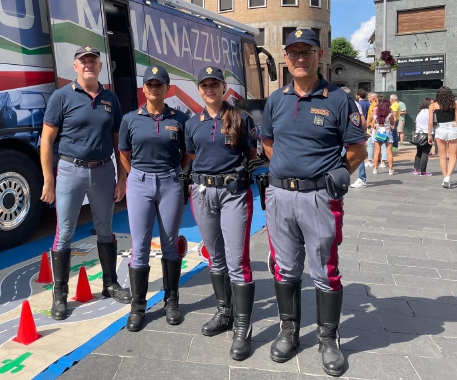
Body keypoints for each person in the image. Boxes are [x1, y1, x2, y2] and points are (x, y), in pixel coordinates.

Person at [260, 29, 366, 376]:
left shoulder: (338, 99)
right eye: (294, 53)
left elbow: (357, 150)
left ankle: (328, 339)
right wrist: (287, 174)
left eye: (307, 52)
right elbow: (269, 145)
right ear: (286, 58)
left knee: (325, 268)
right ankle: (288, 331)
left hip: (320, 197)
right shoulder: (276, 100)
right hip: (279, 197)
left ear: (319, 56)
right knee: (285, 267)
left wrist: (333, 174)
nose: (300, 58)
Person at [41, 45, 131, 321]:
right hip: (70, 170)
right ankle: (60, 294)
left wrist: (122, 177)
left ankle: (110, 283)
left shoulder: (110, 99)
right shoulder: (61, 97)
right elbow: (46, 140)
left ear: (100, 66)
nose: (88, 65)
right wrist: (49, 179)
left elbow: (120, 144)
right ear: (75, 66)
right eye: (84, 61)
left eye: (93, 60)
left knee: (105, 228)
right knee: (64, 231)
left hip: (103, 171)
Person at [186, 66, 257, 361]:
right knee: (214, 257)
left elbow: (254, 154)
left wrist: (242, 172)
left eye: (214, 83)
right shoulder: (193, 123)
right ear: (199, 89)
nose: (209, 88)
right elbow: (191, 157)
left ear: (224, 87)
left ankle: (243, 326)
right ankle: (224, 312)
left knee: (236, 260)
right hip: (202, 193)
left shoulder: (241, 117)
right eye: (204, 84)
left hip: (233, 193)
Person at [118, 65, 190, 332]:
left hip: (171, 182)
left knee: (170, 244)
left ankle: (171, 301)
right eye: (149, 84)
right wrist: (135, 177)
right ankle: (138, 306)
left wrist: (175, 174)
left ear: (166, 88)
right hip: (140, 183)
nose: (153, 88)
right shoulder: (130, 119)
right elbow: (124, 152)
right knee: (141, 246)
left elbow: (186, 154)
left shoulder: (179, 119)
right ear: (144, 88)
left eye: (158, 84)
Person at [428, 86, 457, 188]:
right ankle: (448, 177)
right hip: (453, 127)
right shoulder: (454, 104)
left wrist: (429, 135)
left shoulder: (433, 105)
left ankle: (445, 177)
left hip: (440, 129)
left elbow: (431, 122)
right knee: (453, 156)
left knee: (442, 156)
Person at [372, 99, 396, 176]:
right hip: (387, 131)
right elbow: (392, 123)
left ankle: (375, 169)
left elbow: (372, 124)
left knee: (376, 152)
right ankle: (390, 169)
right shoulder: (389, 115)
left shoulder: (376, 114)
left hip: (379, 131)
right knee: (389, 152)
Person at [413, 98, 433, 176]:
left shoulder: (419, 112)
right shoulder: (430, 112)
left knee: (419, 152)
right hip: (427, 133)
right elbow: (431, 123)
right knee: (425, 153)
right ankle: (423, 171)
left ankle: (416, 169)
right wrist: (430, 135)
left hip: (418, 134)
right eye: (432, 103)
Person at [366, 93, 387, 168]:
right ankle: (383, 162)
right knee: (383, 145)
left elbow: (372, 119)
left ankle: (371, 162)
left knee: (372, 145)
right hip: (384, 129)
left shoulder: (375, 109)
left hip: (376, 129)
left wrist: (371, 125)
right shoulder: (387, 110)